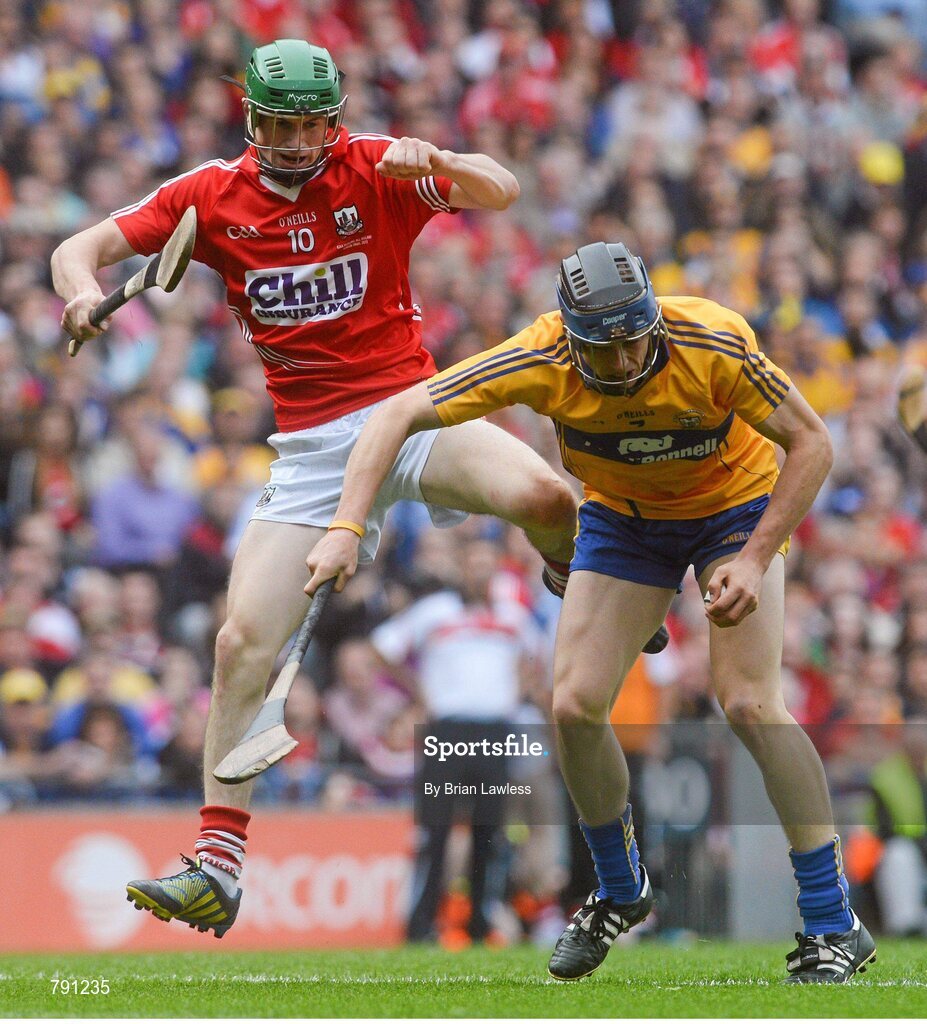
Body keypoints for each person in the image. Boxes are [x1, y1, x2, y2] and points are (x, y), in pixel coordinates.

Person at [51, 38, 583, 937]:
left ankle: (584, 582)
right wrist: (75, 295)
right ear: (250, 118)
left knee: (550, 501)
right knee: (236, 643)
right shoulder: (209, 195)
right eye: (279, 124)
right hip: (307, 451)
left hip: (411, 411)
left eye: (311, 123)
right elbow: (83, 247)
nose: (297, 141)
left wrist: (442, 160)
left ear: (332, 118)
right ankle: (217, 862)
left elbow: (502, 189)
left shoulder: (375, 166)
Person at [306, 241, 877, 983]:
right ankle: (618, 889)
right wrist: (347, 525)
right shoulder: (536, 354)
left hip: (734, 512)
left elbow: (812, 442)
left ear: (653, 321)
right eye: (598, 351)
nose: (620, 364)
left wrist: (755, 556)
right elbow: (399, 413)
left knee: (748, 703)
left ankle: (833, 920)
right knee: (572, 707)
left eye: (633, 342)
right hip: (623, 518)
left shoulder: (712, 339)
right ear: (568, 336)